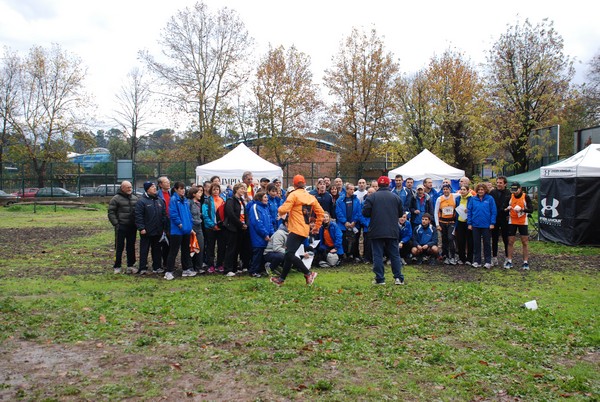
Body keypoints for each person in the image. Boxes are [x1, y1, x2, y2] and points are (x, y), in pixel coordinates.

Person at [271, 174, 324, 286]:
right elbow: (321, 213)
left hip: (295, 229)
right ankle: (281, 279)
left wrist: (279, 210)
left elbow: (284, 209)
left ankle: (308, 273)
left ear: (294, 185)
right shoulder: (311, 197)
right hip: (304, 230)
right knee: (289, 255)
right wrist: (316, 227)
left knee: (289, 254)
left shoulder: (293, 195)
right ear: (304, 184)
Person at [362, 175, 405, 285]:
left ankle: (380, 279)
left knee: (377, 255)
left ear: (378, 185)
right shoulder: (395, 197)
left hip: (376, 230)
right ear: (389, 184)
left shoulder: (372, 197)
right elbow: (401, 213)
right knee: (395, 254)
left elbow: (365, 213)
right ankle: (398, 278)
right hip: (392, 230)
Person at [135, 181, 167, 275]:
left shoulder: (159, 200)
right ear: (147, 189)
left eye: (154, 187)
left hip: (158, 231)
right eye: (152, 187)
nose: (154, 188)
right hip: (146, 230)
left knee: (157, 249)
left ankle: (157, 267)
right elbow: (138, 215)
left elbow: (163, 214)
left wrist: (164, 227)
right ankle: (143, 267)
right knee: (144, 249)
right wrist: (141, 228)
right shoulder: (141, 201)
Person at [165, 181, 195, 280]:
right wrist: (179, 223)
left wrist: (190, 225)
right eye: (180, 189)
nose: (183, 190)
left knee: (185, 250)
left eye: (183, 188)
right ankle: (169, 271)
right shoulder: (173, 200)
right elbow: (173, 213)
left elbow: (188, 214)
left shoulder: (185, 200)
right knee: (173, 251)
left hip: (186, 229)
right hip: (177, 231)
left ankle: (186, 269)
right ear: (176, 189)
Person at [108, 181, 139, 274]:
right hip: (121, 227)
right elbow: (111, 213)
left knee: (131, 246)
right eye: (127, 187)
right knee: (119, 247)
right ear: (122, 188)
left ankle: (131, 265)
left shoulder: (135, 198)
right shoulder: (115, 199)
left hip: (132, 227)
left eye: (130, 187)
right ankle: (117, 266)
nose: (130, 189)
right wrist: (116, 224)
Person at [504, 182, 533, 270]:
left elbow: (531, 210)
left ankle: (525, 262)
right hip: (512, 221)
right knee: (510, 241)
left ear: (520, 189)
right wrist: (507, 208)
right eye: (513, 191)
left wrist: (522, 209)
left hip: (522, 221)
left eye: (516, 191)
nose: (514, 193)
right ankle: (509, 260)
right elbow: (503, 208)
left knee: (524, 242)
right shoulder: (510, 196)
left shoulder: (525, 197)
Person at [467, 183, 497, 269]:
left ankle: (488, 261)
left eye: (482, 189)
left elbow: (493, 211)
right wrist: (469, 223)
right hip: (475, 224)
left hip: (486, 225)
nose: (480, 191)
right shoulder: (473, 199)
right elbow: (469, 211)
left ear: (485, 190)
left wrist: (492, 223)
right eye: (479, 189)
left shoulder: (490, 199)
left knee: (487, 243)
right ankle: (477, 261)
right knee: (476, 243)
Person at [223, 183, 249, 277]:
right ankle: (227, 268)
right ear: (236, 189)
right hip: (232, 227)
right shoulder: (231, 200)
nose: (243, 190)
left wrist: (245, 224)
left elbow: (245, 213)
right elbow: (231, 214)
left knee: (237, 248)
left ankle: (234, 267)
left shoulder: (242, 200)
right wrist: (240, 223)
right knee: (231, 248)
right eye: (242, 188)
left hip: (240, 228)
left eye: (245, 188)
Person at [248, 191, 275, 277]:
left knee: (263, 254)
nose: (267, 199)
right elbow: (257, 222)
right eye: (265, 197)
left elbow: (270, 221)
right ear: (259, 198)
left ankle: (260, 270)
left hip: (266, 236)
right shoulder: (255, 207)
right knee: (257, 254)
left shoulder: (266, 208)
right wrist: (264, 234)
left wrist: (272, 233)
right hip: (258, 236)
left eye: (267, 197)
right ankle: (254, 271)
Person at [203, 183, 226, 274]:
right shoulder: (207, 201)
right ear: (211, 191)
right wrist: (212, 225)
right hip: (210, 227)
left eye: (217, 189)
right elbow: (205, 214)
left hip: (221, 227)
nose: (216, 191)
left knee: (221, 246)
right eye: (214, 189)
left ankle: (220, 264)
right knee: (210, 247)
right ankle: (211, 265)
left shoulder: (223, 200)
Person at [335, 183, 362, 262]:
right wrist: (345, 222)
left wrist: (354, 221)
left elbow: (359, 212)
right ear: (346, 190)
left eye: (353, 189)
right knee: (344, 241)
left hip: (354, 225)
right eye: (351, 189)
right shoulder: (340, 200)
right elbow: (338, 212)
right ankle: (344, 256)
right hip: (343, 225)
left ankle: (354, 255)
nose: (352, 191)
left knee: (355, 241)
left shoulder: (356, 200)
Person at [490, 176, 511, 266]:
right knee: (494, 238)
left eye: (500, 183)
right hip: (494, 218)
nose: (498, 184)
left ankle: (507, 257)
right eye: (497, 182)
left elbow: (512, 204)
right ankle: (494, 257)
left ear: (505, 184)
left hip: (505, 218)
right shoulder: (492, 192)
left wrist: (510, 214)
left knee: (506, 239)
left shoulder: (509, 193)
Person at [434, 184, 457, 265]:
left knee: (450, 238)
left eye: (447, 189)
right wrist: (437, 224)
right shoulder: (439, 199)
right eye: (444, 189)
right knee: (444, 240)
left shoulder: (454, 197)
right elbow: (436, 212)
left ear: (450, 190)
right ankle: (446, 256)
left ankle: (453, 256)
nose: (445, 191)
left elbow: (463, 193)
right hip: (442, 222)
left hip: (451, 222)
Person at [454, 185, 473, 265]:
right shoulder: (458, 198)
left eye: (464, 189)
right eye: (461, 189)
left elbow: (473, 209)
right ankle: (462, 258)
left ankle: (469, 259)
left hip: (468, 222)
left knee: (470, 241)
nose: (462, 191)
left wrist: (468, 210)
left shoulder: (472, 199)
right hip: (460, 221)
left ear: (468, 190)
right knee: (460, 241)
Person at [188, 186, 205, 274]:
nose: (200, 194)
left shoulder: (199, 203)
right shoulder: (189, 203)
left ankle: (198, 266)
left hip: (199, 227)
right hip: (192, 227)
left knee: (200, 247)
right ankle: (191, 267)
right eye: (199, 192)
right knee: (192, 247)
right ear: (194, 194)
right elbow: (188, 216)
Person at [156, 176, 171, 270]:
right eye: (165, 182)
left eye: (168, 181)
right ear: (160, 184)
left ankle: (167, 262)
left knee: (169, 243)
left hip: (171, 221)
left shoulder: (172, 193)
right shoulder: (157, 195)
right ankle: (158, 264)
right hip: (161, 221)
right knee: (160, 243)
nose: (168, 183)